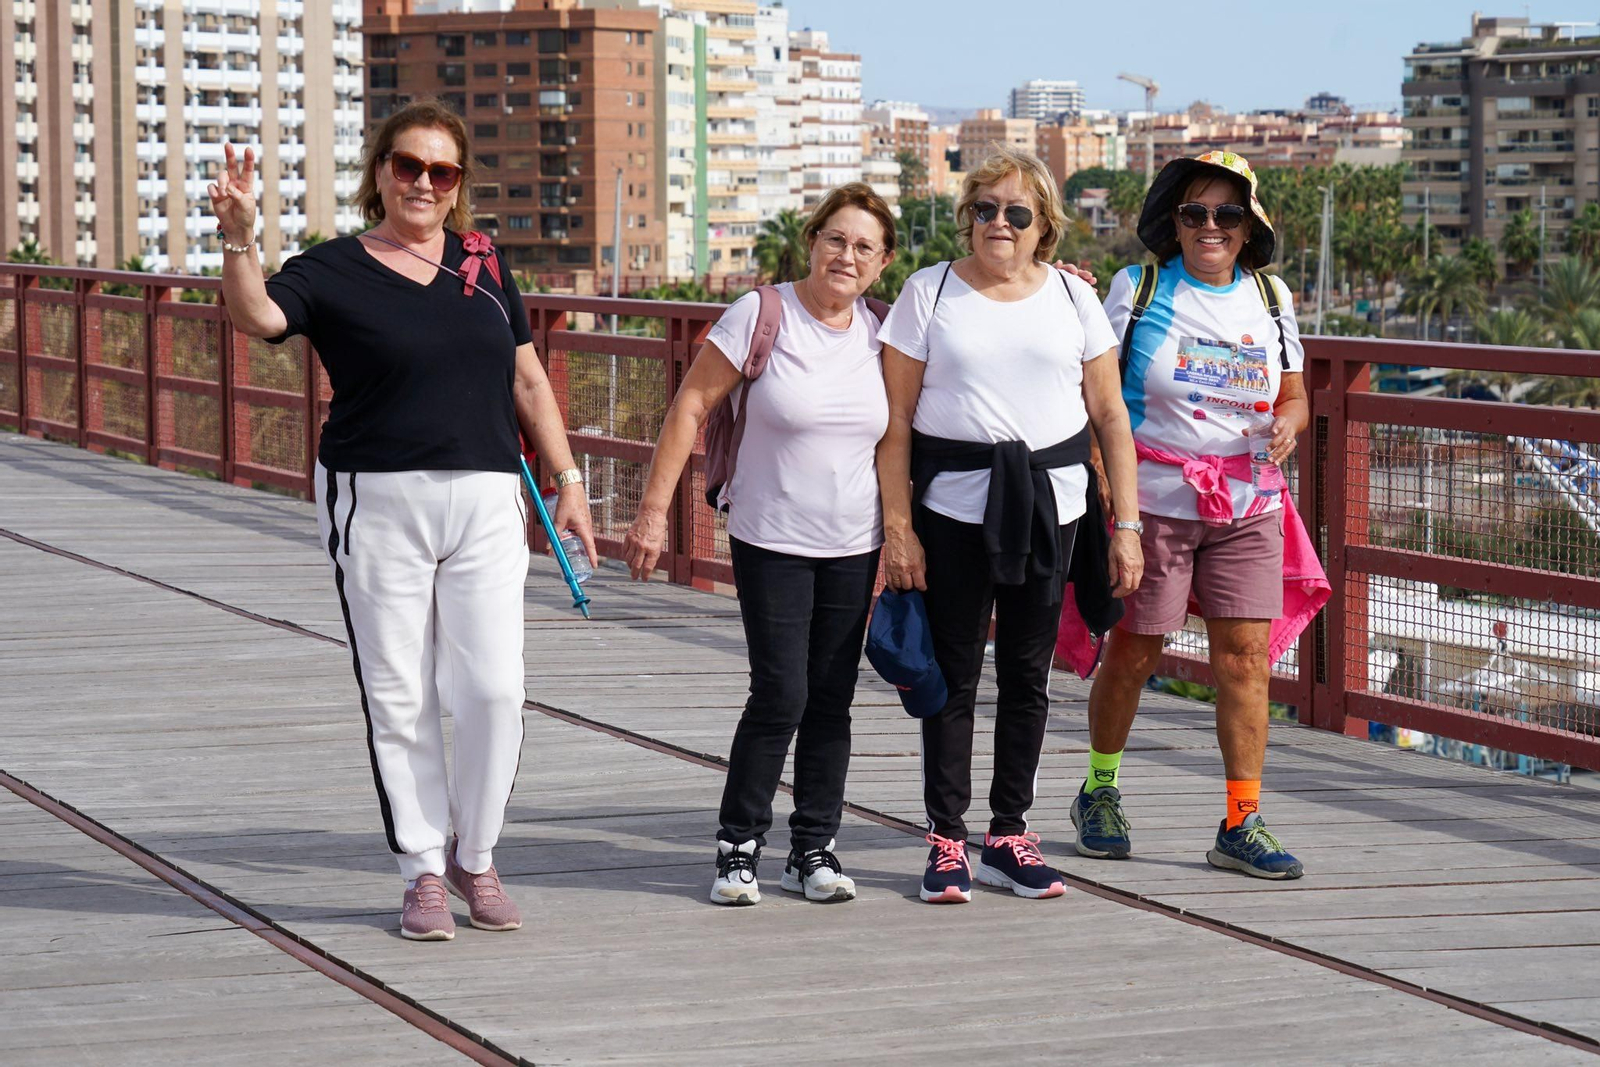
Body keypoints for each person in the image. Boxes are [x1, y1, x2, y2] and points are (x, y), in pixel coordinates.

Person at [210, 98, 597, 939]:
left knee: (495, 689)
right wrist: (240, 236)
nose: (423, 182)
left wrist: (567, 477)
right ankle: (423, 867)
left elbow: (529, 381)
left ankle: (477, 853)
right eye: (408, 166)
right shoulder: (335, 266)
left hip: (489, 496)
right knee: (400, 692)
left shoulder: (484, 264)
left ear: (458, 186)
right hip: (375, 494)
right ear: (380, 171)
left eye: (442, 171)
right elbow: (259, 318)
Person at [876, 145, 1143, 905]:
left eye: (1016, 212)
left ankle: (1009, 835)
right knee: (952, 674)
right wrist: (900, 527)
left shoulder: (1073, 299)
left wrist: (1126, 523)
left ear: (1043, 226)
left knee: (1028, 676)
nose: (1000, 222)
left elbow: (1111, 417)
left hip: (1052, 510)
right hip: (951, 511)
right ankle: (945, 840)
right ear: (967, 218)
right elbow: (893, 423)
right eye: (986, 209)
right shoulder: (926, 294)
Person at [621, 183, 898, 906]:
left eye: (864, 246)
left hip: (854, 540)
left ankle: (813, 850)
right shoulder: (762, 313)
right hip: (769, 535)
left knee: (832, 697)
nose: (847, 255)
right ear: (812, 241)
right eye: (836, 238)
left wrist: (1062, 280)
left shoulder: (885, 329)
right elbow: (690, 405)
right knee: (782, 691)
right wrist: (654, 513)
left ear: (882, 263)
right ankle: (737, 846)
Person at [1078, 150, 1316, 880]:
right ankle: (1100, 787)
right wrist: (1106, 486)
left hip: (1249, 503)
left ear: (1248, 228)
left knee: (1244, 661)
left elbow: (1296, 396)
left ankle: (1242, 821)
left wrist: (1290, 424)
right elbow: (1097, 390)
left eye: (1226, 214)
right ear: (1174, 224)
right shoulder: (1138, 288)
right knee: (1138, 650)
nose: (1210, 226)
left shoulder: (1272, 299)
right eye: (1194, 213)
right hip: (1153, 502)